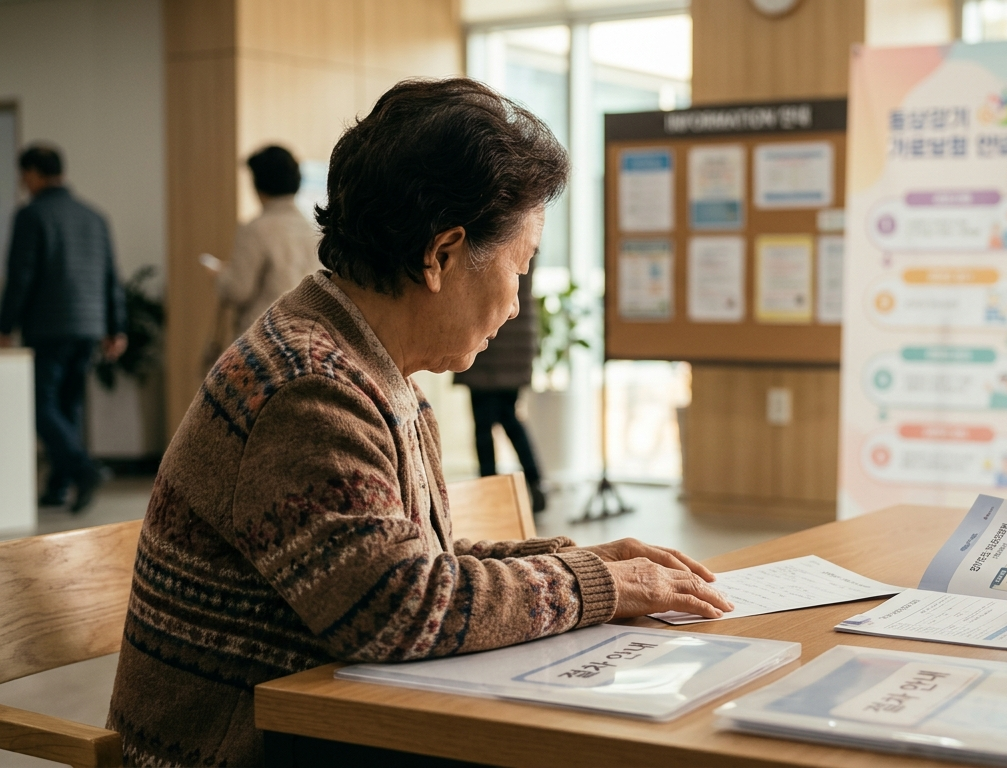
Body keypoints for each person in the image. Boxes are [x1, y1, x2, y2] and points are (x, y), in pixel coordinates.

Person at [106, 78, 733, 767]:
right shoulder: (309, 389)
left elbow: (416, 567)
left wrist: (578, 562)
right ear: (441, 255)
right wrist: (596, 585)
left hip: (327, 724)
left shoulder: (365, 363)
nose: (518, 304)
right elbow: (400, 607)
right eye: (518, 268)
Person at [0, 145, 127, 512]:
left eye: (24, 174)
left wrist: (5, 324)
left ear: (35, 174)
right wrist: (115, 327)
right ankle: (58, 486)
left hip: (49, 326)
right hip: (88, 326)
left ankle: (82, 468)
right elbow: (110, 277)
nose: (24, 182)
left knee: (39, 405)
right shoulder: (94, 216)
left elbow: (20, 277)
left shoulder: (31, 215)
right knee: (68, 405)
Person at [454, 258, 548, 513]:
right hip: (518, 342)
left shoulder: (497, 235)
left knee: (484, 425)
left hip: (491, 337)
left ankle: (490, 490)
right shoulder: (525, 240)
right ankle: (535, 482)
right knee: (510, 417)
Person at [211, 145, 322, 334]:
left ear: (258, 184)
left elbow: (238, 290)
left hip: (263, 337)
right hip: (306, 336)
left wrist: (219, 275)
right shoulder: (314, 229)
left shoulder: (256, 229)